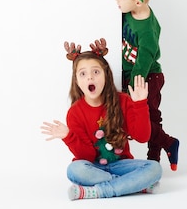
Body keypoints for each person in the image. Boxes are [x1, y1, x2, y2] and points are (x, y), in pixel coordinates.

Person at [41, 38, 162, 200]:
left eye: (96, 72)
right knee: (74, 170)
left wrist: (140, 104)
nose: (90, 78)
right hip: (92, 167)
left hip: (121, 165)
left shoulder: (123, 101)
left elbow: (142, 137)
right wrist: (68, 136)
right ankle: (134, 185)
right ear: (77, 81)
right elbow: (88, 156)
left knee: (154, 168)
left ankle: (97, 191)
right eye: (83, 74)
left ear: (106, 75)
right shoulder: (75, 113)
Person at [116, 0, 180, 170]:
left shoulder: (147, 31)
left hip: (147, 77)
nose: (116, 0)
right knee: (152, 118)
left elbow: (143, 61)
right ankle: (155, 158)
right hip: (133, 75)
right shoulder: (129, 11)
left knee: (147, 116)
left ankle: (168, 143)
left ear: (137, 3)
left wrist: (132, 88)